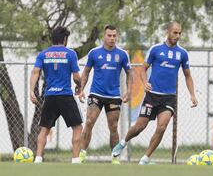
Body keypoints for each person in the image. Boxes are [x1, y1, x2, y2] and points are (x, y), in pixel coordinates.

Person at [111, 21, 198, 165]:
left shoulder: (182, 53)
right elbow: (142, 69)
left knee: (162, 127)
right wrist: (145, 83)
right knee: (140, 126)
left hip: (169, 98)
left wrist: (193, 95)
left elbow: (187, 75)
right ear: (168, 32)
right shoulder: (156, 49)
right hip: (152, 96)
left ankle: (145, 159)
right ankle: (123, 142)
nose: (177, 36)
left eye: (179, 33)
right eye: (175, 32)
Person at [78, 25, 132, 164]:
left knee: (113, 126)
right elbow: (86, 72)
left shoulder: (122, 54)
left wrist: (128, 91)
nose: (112, 38)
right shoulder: (94, 52)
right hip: (96, 93)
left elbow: (130, 74)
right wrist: (81, 89)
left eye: (114, 36)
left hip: (114, 96)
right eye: (109, 35)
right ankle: (82, 154)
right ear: (104, 36)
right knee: (89, 121)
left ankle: (115, 157)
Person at [29, 26, 83, 163]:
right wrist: (79, 85)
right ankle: (76, 160)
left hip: (50, 96)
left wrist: (31, 90)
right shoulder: (70, 54)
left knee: (44, 129)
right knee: (77, 127)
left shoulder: (43, 54)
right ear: (65, 39)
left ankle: (38, 158)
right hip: (65, 95)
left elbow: (35, 72)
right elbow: (76, 76)